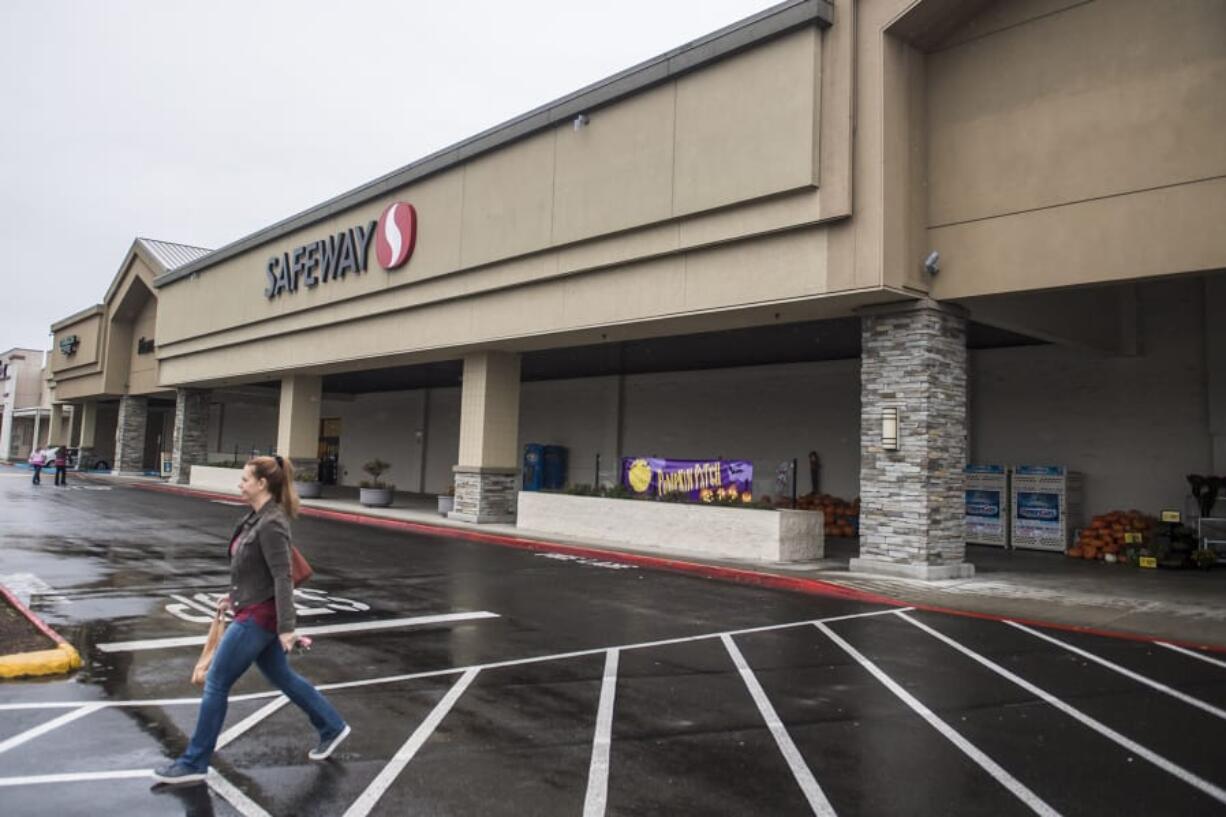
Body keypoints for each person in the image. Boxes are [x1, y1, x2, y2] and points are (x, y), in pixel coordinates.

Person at [153, 454, 350, 785]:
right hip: (253, 607)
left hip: (259, 617)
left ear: (262, 484)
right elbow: (256, 569)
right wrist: (235, 596)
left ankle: (194, 761)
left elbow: (283, 577)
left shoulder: (272, 523)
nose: (240, 484)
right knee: (282, 676)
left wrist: (287, 628)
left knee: (216, 681)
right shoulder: (256, 518)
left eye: (245, 479)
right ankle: (331, 725)